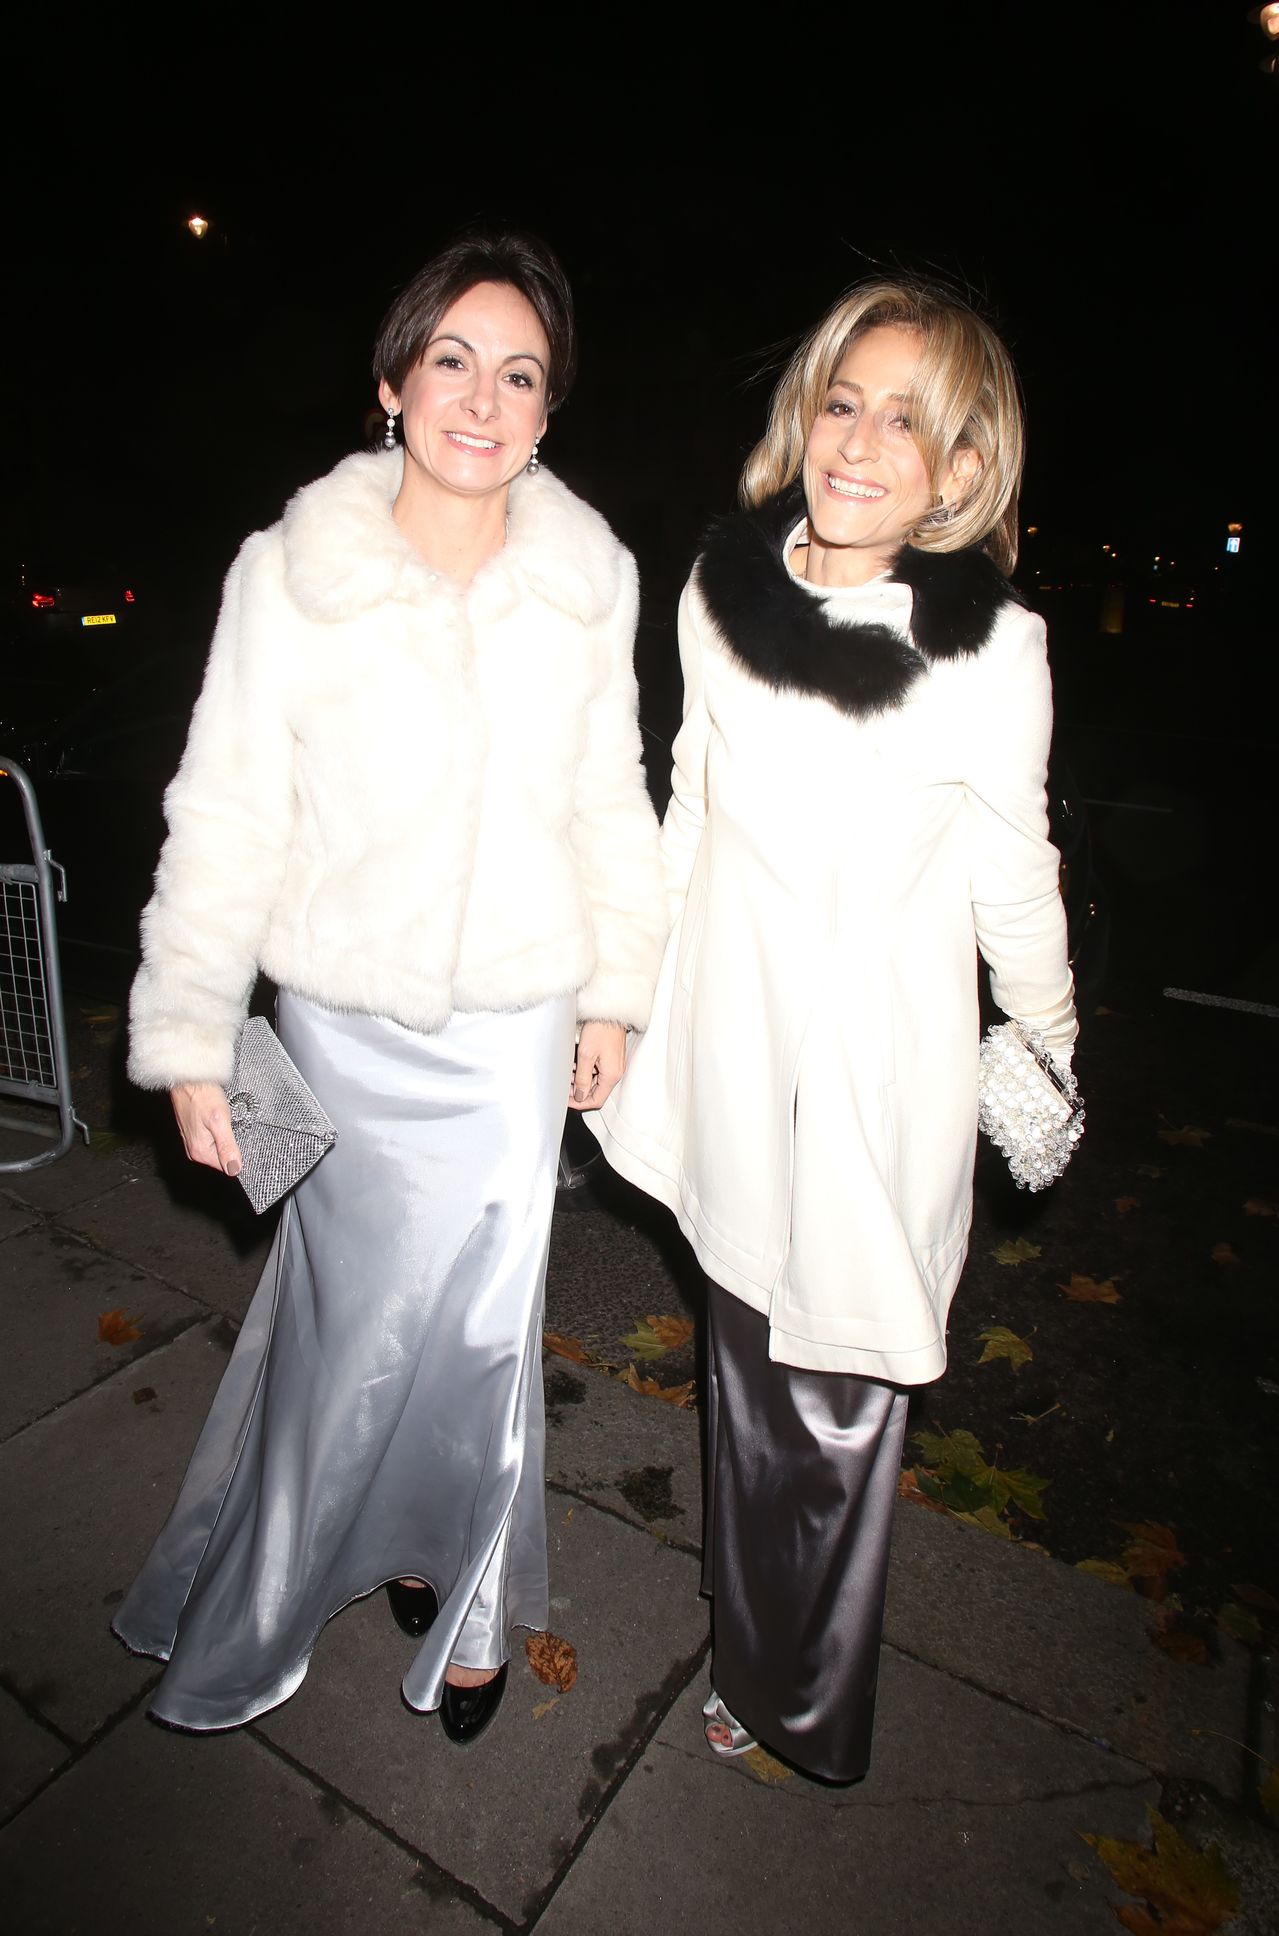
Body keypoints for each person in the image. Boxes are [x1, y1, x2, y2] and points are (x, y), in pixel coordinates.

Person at [114, 229, 665, 1746]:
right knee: (345, 1332)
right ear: (392, 382)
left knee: (484, 1333)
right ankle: (285, 1578)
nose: (483, 400)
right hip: (342, 1034)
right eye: (452, 361)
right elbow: (227, 814)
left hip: (512, 1036)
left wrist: (614, 992)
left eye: (521, 375)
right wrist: (191, 1038)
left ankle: (464, 1595)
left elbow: (610, 799)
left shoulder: (590, 582)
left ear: (548, 412)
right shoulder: (290, 575)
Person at [590, 280, 1077, 1781]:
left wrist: (1046, 1047)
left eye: (907, 423)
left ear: (963, 466)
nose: (860, 445)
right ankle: (755, 1642)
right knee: (749, 1376)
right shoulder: (719, 596)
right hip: (731, 1050)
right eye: (843, 403)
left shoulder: (990, 651)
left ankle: (798, 1693)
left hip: (877, 1081)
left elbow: (1015, 871)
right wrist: (622, 994)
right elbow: (688, 808)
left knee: (843, 1402)